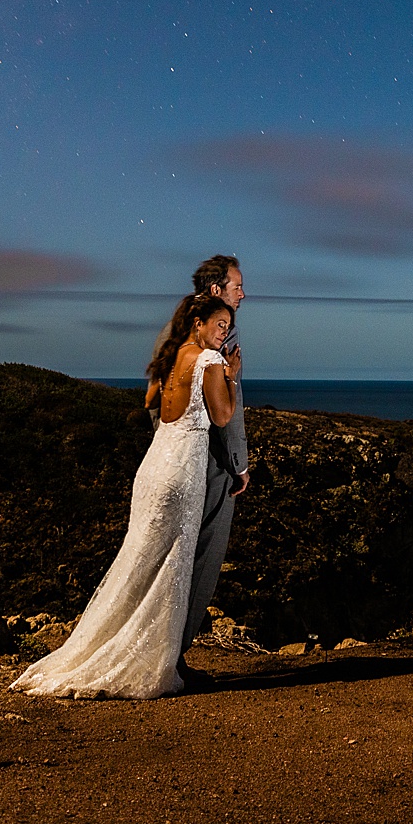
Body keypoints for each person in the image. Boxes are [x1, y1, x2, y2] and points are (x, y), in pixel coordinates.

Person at [11, 291, 236, 701]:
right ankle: (150, 664)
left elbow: (151, 400)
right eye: (220, 325)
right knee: (170, 565)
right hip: (182, 469)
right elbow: (222, 416)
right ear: (198, 322)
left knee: (137, 559)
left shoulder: (171, 357)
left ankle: (105, 648)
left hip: (154, 464)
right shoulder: (209, 360)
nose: (225, 334)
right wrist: (231, 376)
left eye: (228, 328)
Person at [182, 254, 248, 671]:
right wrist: (239, 464)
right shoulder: (213, 345)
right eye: (236, 285)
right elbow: (227, 414)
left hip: (176, 458)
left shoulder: (178, 333)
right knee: (201, 560)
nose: (243, 293)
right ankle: (174, 656)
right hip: (209, 464)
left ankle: (166, 653)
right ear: (215, 291)